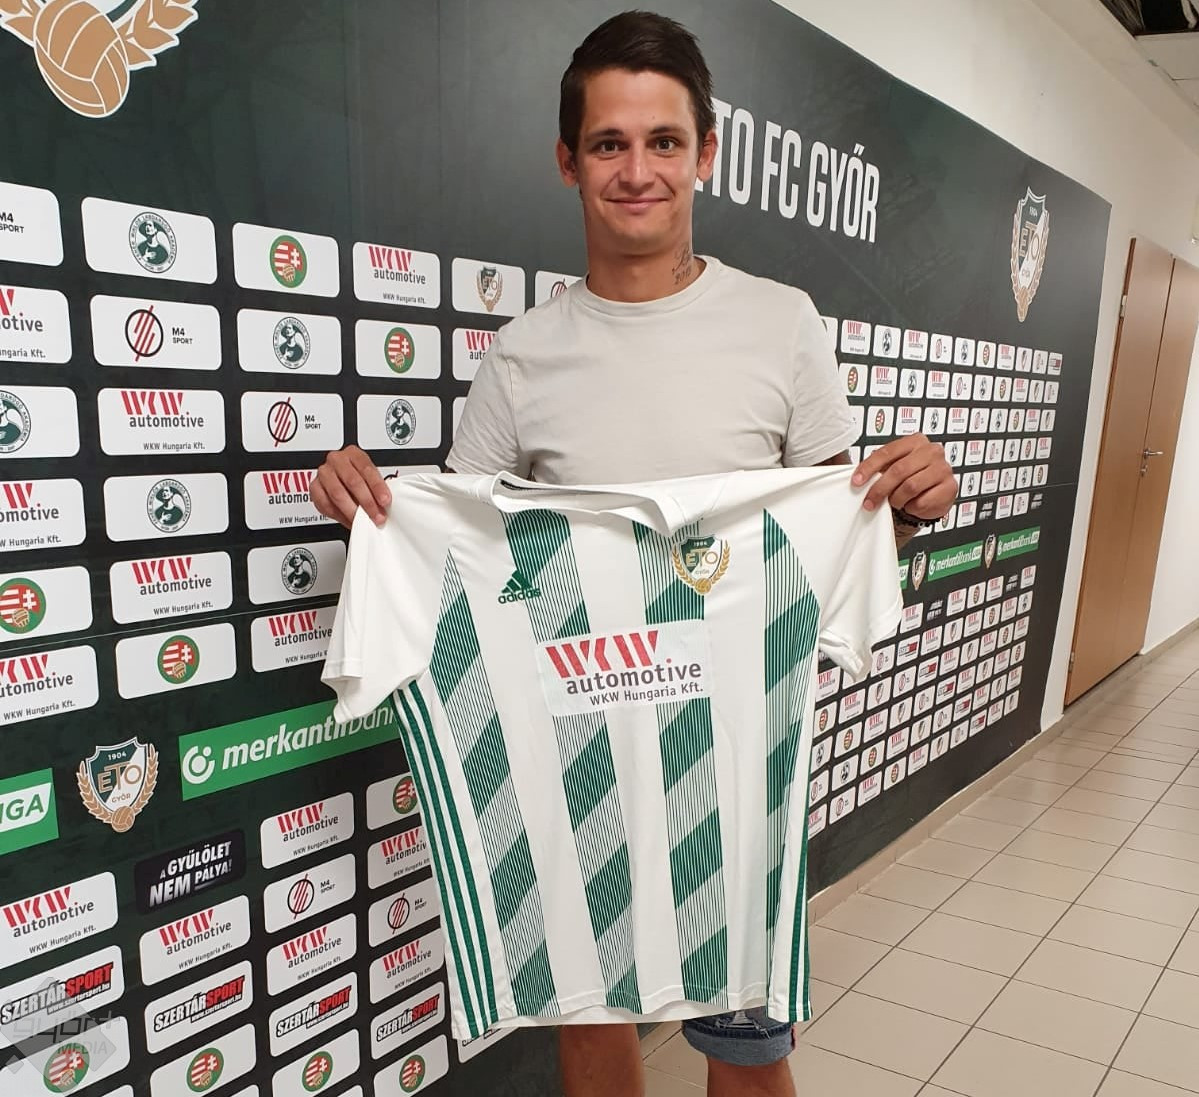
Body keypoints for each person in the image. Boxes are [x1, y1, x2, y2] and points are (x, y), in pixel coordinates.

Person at [310, 12, 956, 1096]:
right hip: (578, 758)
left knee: (747, 1053)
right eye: (608, 143)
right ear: (568, 161)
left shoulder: (782, 324)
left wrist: (910, 507)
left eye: (663, 141)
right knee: (592, 1031)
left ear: (706, 154)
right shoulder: (521, 358)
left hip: (735, 760)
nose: (637, 170)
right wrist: (369, 514)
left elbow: (834, 534)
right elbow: (461, 550)